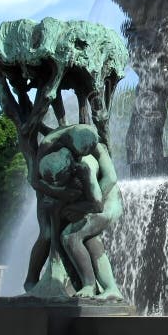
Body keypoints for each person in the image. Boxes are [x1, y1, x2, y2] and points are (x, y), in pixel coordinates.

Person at [36, 124, 124, 300]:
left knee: (71, 237)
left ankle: (90, 285)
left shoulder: (85, 168)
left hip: (107, 204)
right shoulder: (52, 146)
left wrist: (76, 207)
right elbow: (37, 180)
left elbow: (99, 202)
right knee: (89, 240)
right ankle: (111, 289)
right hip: (94, 203)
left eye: (59, 182)